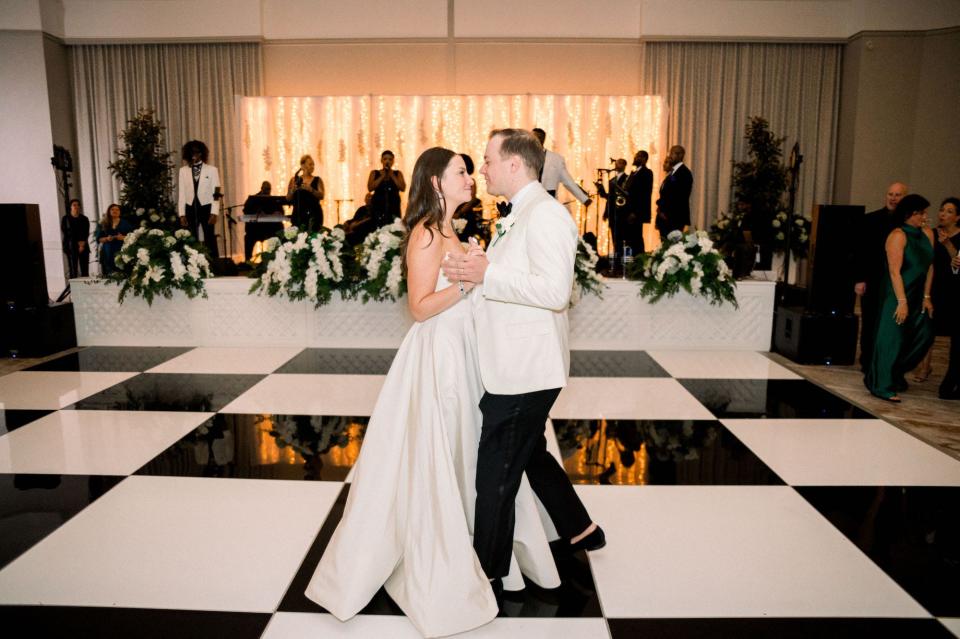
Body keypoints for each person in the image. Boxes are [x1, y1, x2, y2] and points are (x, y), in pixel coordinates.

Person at [305, 147, 559, 638]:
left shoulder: (452, 231)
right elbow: (420, 307)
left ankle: (476, 541)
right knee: (444, 447)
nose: (471, 177)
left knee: (470, 448)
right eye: (462, 172)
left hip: (465, 353)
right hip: (439, 358)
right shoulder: (425, 233)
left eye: (472, 169)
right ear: (437, 183)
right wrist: (469, 283)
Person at [442, 128, 604, 597]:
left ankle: (486, 574)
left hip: (525, 369)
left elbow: (554, 293)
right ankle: (580, 528)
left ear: (514, 165)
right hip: (514, 363)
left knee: (495, 472)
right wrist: (480, 271)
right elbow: (511, 282)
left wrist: (489, 272)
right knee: (528, 451)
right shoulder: (520, 215)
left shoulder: (548, 215)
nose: (483, 169)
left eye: (489, 160)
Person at [864, 194, 935, 402]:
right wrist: (901, 302)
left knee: (924, 332)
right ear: (909, 214)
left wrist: (927, 295)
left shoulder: (927, 234)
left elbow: (930, 266)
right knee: (891, 338)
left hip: (918, 294)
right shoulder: (897, 235)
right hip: (897, 294)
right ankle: (881, 384)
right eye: (921, 212)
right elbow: (894, 272)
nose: (924, 216)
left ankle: (896, 373)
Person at [854, 182, 909, 372]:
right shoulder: (871, 219)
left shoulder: (908, 224)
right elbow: (861, 251)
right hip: (873, 278)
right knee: (870, 321)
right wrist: (860, 279)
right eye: (890, 194)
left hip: (898, 281)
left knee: (891, 324)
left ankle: (887, 362)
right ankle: (867, 360)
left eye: (898, 195)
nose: (893, 198)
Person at [931, 197, 960, 399]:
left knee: (957, 341)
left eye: (949, 211)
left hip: (955, 293)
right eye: (942, 210)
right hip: (933, 290)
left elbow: (958, 264)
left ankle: (951, 382)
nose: (943, 214)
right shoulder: (931, 233)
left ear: (957, 217)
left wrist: (948, 244)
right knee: (926, 332)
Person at [178, 140, 221, 258]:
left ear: (201, 153)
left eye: (196, 152)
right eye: (191, 152)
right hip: (190, 207)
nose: (193, 155)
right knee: (191, 238)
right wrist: (182, 214)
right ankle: (193, 265)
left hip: (206, 207)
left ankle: (213, 264)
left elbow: (216, 192)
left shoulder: (212, 170)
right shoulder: (183, 171)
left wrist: (214, 212)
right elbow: (181, 193)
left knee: (209, 237)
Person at [531, 128, 592, 209]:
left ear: (541, 139)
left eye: (533, 137)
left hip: (549, 205)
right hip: (529, 204)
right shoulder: (524, 158)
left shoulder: (556, 160)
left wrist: (584, 199)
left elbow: (568, 182)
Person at [655, 144, 693, 236]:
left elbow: (680, 196)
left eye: (673, 153)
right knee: (665, 247)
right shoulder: (672, 173)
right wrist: (660, 209)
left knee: (672, 247)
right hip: (664, 217)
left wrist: (665, 212)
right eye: (670, 153)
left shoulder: (684, 173)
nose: (670, 155)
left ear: (680, 155)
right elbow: (665, 194)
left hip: (674, 217)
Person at [595, 158, 628, 259]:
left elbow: (625, 195)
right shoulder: (612, 180)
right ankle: (617, 257)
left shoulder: (627, 178)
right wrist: (601, 190)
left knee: (621, 237)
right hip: (612, 212)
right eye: (617, 163)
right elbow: (609, 197)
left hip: (622, 212)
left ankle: (622, 259)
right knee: (614, 237)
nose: (617, 165)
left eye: (620, 163)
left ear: (624, 165)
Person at [623, 150, 653, 255]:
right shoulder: (633, 172)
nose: (635, 158)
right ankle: (629, 263)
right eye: (635, 156)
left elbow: (644, 195)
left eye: (639, 156)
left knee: (636, 239)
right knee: (629, 239)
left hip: (636, 212)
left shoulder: (647, 173)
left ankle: (639, 261)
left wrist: (634, 212)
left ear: (644, 159)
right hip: (628, 210)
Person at [367, 149, 406, 228]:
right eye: (385, 159)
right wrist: (383, 175)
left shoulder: (397, 173)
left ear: (393, 161)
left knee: (394, 230)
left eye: (390, 159)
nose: (387, 161)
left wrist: (391, 174)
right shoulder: (374, 173)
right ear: (381, 160)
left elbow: (402, 188)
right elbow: (370, 188)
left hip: (394, 206)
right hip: (378, 207)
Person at [287, 154, 325, 232]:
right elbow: (288, 198)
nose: (312, 166)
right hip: (298, 214)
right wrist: (293, 190)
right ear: (303, 165)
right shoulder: (294, 180)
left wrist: (311, 189)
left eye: (313, 164)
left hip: (314, 215)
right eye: (310, 164)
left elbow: (321, 195)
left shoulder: (317, 180)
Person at [454, 153, 485, 244]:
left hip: (467, 213)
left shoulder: (471, 181)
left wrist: (459, 213)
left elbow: (472, 199)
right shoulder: (455, 181)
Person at [95, 203, 133, 277]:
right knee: (109, 275)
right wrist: (106, 238)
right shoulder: (103, 223)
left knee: (123, 273)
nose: (115, 211)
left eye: (117, 210)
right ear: (109, 211)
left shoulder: (125, 223)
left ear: (120, 212)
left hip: (122, 251)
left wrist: (123, 237)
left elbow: (132, 236)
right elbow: (99, 239)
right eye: (112, 209)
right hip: (108, 252)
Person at [61, 198, 90, 278]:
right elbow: (67, 233)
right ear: (70, 207)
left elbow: (86, 232)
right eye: (74, 205)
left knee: (85, 269)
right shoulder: (65, 219)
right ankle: (74, 289)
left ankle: (85, 288)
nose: (76, 207)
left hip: (83, 246)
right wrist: (78, 243)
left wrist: (82, 244)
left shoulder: (84, 218)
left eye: (78, 205)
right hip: (71, 246)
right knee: (73, 269)